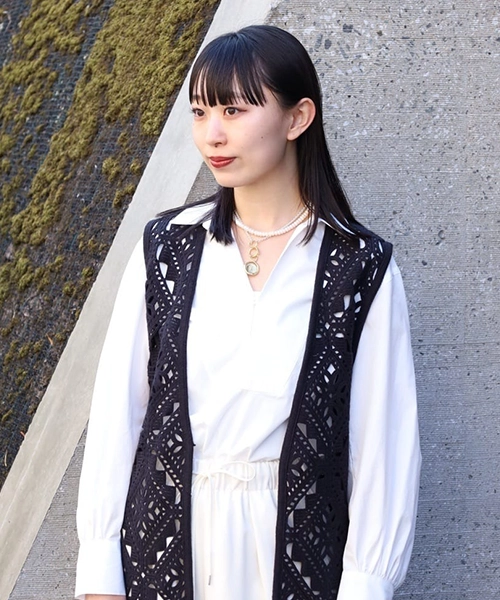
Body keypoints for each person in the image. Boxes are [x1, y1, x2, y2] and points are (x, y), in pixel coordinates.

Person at [75, 25, 421, 600]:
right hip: (167, 548)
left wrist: (367, 584)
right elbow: (119, 415)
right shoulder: (167, 248)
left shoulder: (357, 268)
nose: (212, 134)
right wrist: (99, 572)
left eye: (233, 110)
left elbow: (382, 447)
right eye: (200, 112)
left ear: (297, 117)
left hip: (296, 554)